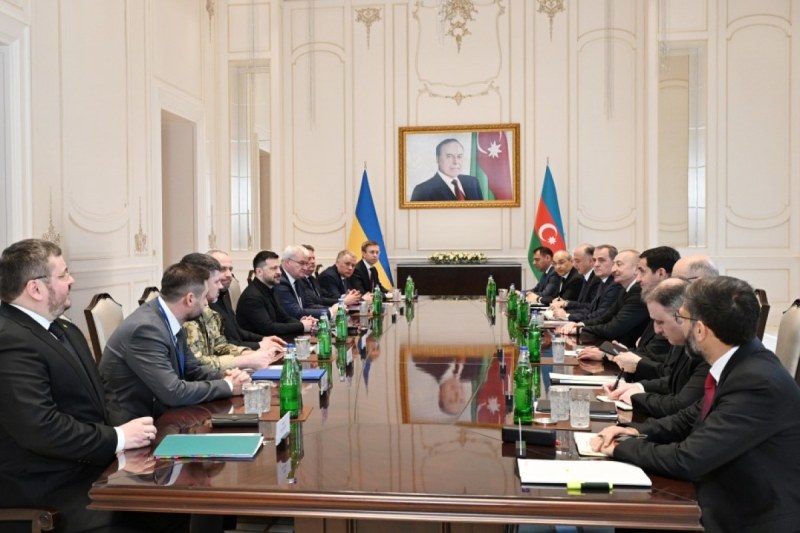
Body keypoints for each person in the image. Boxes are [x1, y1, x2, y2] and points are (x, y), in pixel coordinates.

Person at [0, 239, 186, 533]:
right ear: (35, 289)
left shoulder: (66, 328)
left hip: (92, 465)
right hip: (48, 486)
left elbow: (99, 397)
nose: (71, 280)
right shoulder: (10, 340)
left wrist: (130, 440)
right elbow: (42, 429)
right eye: (63, 274)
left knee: (179, 501)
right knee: (160, 511)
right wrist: (118, 438)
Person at [591, 276, 800, 532]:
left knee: (629, 512)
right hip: (721, 493)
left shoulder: (757, 381)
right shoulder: (743, 361)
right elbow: (690, 416)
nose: (678, 324)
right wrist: (634, 430)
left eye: (681, 317)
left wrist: (620, 447)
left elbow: (688, 459)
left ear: (700, 330)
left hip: (745, 516)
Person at [100, 262, 250, 425]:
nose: (206, 303)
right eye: (204, 297)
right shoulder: (146, 329)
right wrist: (228, 386)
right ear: (190, 299)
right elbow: (173, 392)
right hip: (140, 424)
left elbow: (192, 369)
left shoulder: (169, 317)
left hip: (166, 413)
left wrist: (226, 376)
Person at [603, 278, 709, 418]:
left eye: (660, 322)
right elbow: (674, 381)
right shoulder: (681, 340)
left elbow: (681, 404)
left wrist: (635, 397)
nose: (657, 330)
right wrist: (638, 387)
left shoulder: (705, 350)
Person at [180, 253, 283, 371]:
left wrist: (250, 354)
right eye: (216, 281)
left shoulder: (208, 310)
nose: (220, 286)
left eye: (230, 269)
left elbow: (220, 346)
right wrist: (246, 360)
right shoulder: (186, 316)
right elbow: (196, 364)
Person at [576, 246, 679, 364]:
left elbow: (653, 354)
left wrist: (609, 354)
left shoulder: (671, 305)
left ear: (661, 273)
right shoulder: (635, 292)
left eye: (642, 271)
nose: (638, 278)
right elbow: (607, 317)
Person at [563, 249, 649, 348]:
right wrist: (581, 324)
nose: (613, 269)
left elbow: (613, 328)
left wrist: (581, 329)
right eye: (614, 264)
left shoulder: (638, 292)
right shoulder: (624, 289)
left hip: (629, 350)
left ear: (636, 269)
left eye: (619, 264)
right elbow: (606, 317)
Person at [236, 250, 315, 340]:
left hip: (274, 340)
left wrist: (303, 323)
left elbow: (284, 318)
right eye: (274, 268)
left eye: (279, 268)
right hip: (259, 345)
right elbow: (268, 328)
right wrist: (302, 326)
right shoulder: (252, 297)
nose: (279, 272)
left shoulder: (270, 289)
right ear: (259, 272)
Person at [207, 249, 271, 350]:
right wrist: (259, 345)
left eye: (230, 269)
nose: (229, 274)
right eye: (222, 269)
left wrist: (263, 339)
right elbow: (223, 345)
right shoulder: (207, 303)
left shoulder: (223, 296)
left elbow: (236, 332)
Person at [553, 244, 620, 322]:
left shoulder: (614, 284)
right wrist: (566, 314)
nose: (596, 264)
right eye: (594, 260)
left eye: (602, 260)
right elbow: (591, 309)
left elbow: (601, 315)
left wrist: (567, 315)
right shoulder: (603, 281)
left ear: (614, 262)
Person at [275, 245, 337, 319]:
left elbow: (308, 305)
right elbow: (295, 312)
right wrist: (330, 312)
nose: (305, 268)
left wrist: (331, 309)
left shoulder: (299, 279)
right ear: (288, 262)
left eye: (306, 264)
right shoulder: (279, 281)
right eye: (301, 263)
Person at [410, 138, 483, 201]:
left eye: (459, 156)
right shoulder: (423, 191)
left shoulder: (473, 182)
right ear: (437, 159)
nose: (455, 162)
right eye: (449, 156)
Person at [550, 244, 596, 309]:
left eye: (577, 261)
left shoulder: (595, 279)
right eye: (554, 264)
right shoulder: (586, 277)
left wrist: (566, 306)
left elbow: (591, 308)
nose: (574, 264)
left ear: (590, 261)